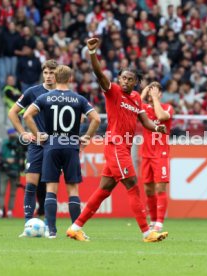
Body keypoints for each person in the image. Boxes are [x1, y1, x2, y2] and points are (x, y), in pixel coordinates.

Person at [66, 37, 168, 243]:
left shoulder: (137, 98)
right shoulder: (112, 91)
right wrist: (93, 53)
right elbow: (98, 74)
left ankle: (75, 227)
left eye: (130, 79)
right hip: (116, 145)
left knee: (104, 190)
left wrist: (157, 127)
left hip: (124, 146)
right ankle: (147, 232)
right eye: (123, 78)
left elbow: (145, 121)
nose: (126, 81)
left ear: (136, 82)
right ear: (119, 79)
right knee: (132, 184)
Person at [23, 65, 100, 238]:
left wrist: (37, 135)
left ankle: (51, 231)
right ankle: (75, 230)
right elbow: (95, 118)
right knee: (72, 189)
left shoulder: (45, 97)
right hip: (71, 145)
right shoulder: (78, 99)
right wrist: (86, 137)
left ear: (56, 78)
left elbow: (27, 115)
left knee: (51, 188)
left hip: (51, 145)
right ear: (71, 79)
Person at [8, 59, 58, 236]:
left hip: (55, 145)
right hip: (36, 145)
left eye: (52, 73)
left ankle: (50, 228)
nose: (49, 76)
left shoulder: (64, 94)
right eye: (46, 73)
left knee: (50, 186)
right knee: (31, 184)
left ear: (58, 73)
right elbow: (13, 112)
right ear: (42, 74)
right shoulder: (33, 92)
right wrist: (23, 133)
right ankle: (28, 224)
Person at [140, 82, 174, 232]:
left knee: (160, 186)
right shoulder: (145, 108)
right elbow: (134, 107)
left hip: (161, 153)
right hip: (146, 153)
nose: (152, 94)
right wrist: (145, 91)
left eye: (156, 92)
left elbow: (161, 116)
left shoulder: (167, 107)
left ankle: (160, 221)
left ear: (160, 94)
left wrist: (154, 98)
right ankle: (153, 220)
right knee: (148, 188)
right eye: (150, 92)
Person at [0, 128, 24, 218]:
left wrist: (18, 161)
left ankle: (9, 211)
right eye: (11, 133)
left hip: (15, 171)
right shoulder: (4, 143)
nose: (13, 135)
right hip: (4, 170)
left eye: (14, 133)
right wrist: (7, 161)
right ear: (8, 134)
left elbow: (21, 157)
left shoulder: (18, 143)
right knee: (2, 191)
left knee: (13, 192)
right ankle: (1, 210)